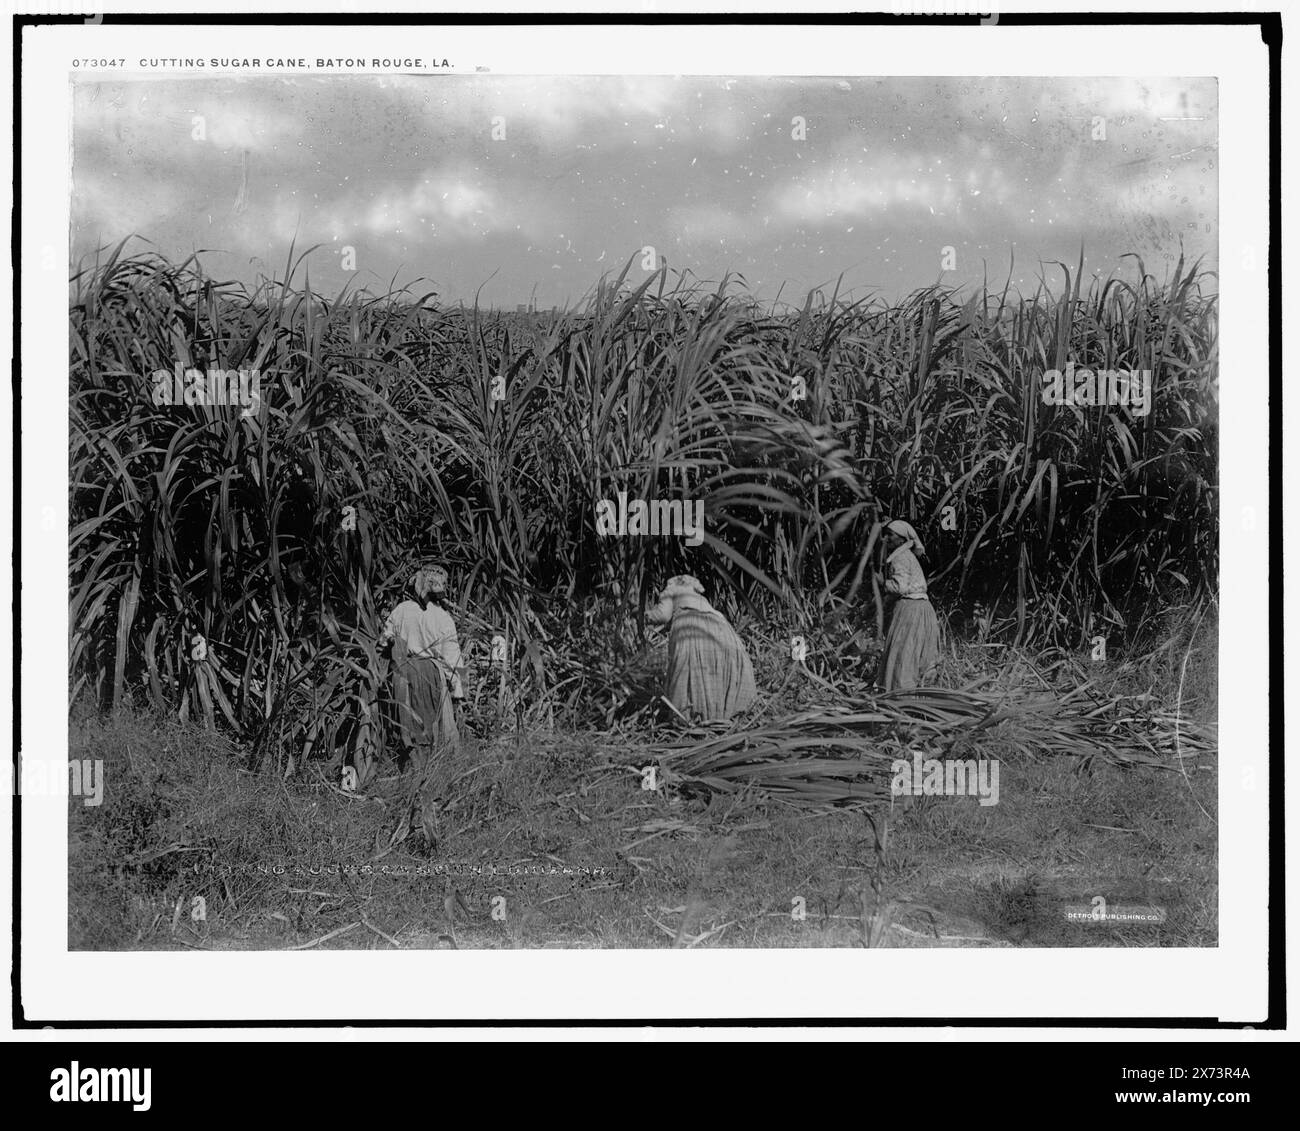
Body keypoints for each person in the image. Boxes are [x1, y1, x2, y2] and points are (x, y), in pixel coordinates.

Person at [378, 564, 465, 770]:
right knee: (432, 721)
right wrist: (458, 694)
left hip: (402, 670)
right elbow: (452, 659)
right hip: (431, 674)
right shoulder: (443, 618)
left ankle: (410, 765)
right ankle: (432, 768)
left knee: (406, 719)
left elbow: (384, 641)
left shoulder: (401, 611)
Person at [646, 574, 757, 721]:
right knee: (716, 665)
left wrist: (641, 613)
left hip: (690, 624)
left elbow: (662, 615)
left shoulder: (672, 590)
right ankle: (725, 712)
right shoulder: (699, 596)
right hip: (720, 624)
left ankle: (690, 714)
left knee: (689, 669)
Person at [875, 519, 941, 690]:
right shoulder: (907, 556)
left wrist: (883, 583)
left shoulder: (900, 557)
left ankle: (900, 694)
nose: (886, 539)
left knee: (903, 652)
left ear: (902, 540)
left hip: (910, 610)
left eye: (890, 535)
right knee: (916, 652)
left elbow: (900, 587)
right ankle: (921, 694)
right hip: (921, 608)